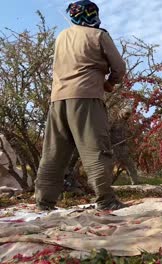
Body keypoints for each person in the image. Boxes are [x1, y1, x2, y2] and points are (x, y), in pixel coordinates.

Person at [35, 0, 126, 210]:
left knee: (53, 153)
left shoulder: (61, 37)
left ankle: (44, 203)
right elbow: (119, 68)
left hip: (57, 99)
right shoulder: (98, 35)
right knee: (96, 149)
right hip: (86, 98)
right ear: (94, 14)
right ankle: (106, 201)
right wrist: (110, 82)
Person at [110, 107, 140, 185]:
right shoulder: (113, 121)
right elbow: (107, 132)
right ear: (122, 112)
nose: (127, 116)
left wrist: (132, 134)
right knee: (110, 166)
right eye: (126, 114)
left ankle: (135, 183)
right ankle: (105, 186)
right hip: (114, 147)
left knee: (130, 165)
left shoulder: (126, 123)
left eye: (129, 115)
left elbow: (128, 133)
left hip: (124, 147)